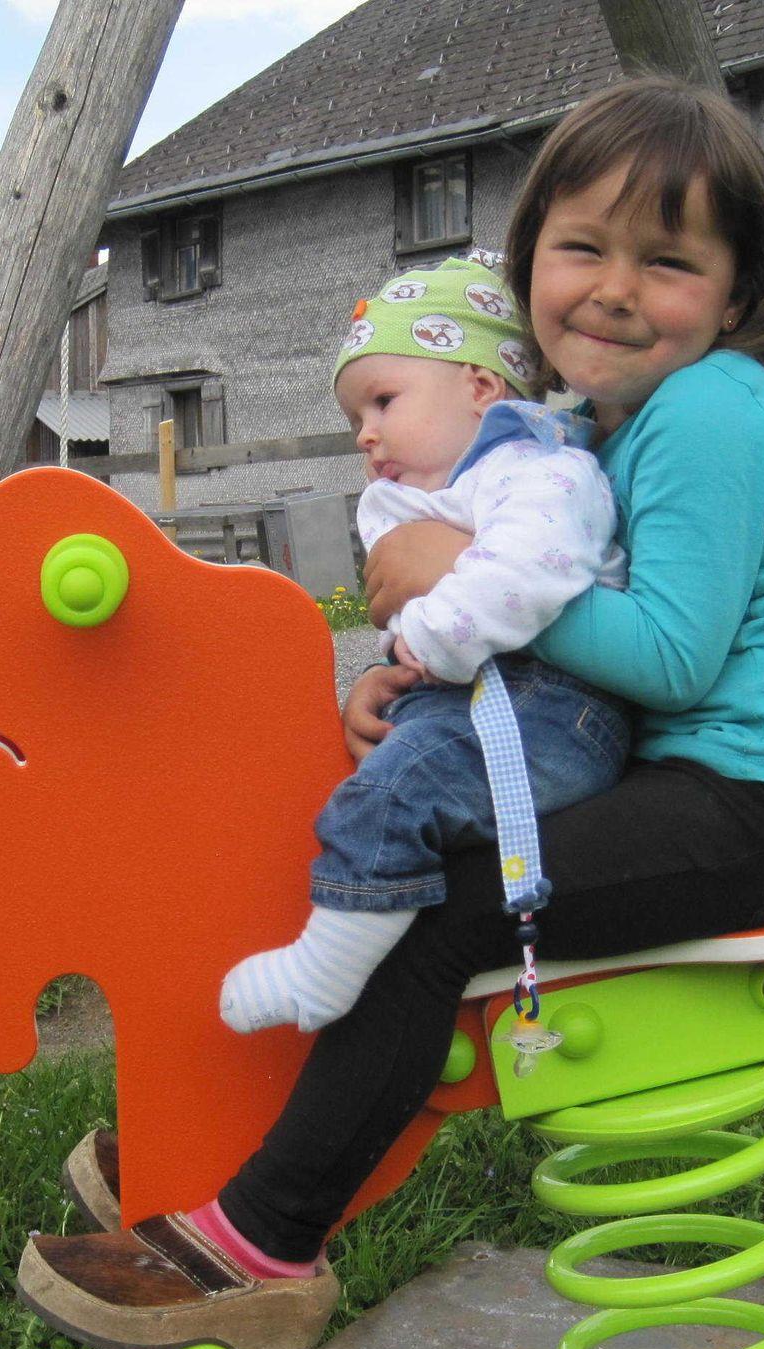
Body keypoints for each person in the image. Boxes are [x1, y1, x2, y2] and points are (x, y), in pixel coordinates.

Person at [17, 77, 764, 1349]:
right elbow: (576, 650)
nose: (615, 289)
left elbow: (668, 658)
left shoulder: (709, 409)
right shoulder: (589, 429)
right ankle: (231, 1145)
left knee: (442, 905)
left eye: (668, 262)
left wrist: (464, 577)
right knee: (387, 849)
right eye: (583, 247)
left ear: (735, 296)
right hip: (708, 777)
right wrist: (418, 671)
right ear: (530, 257)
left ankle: (261, 1245)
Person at [220, 253, 631, 1037]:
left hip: (555, 713)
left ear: (480, 387)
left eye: (383, 401)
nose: (367, 434)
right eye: (356, 420)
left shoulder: (540, 469)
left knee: (397, 792)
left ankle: (325, 971)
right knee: (383, 782)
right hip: (494, 701)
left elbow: (526, 575)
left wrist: (428, 643)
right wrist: (393, 672)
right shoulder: (437, 498)